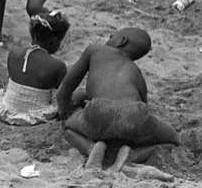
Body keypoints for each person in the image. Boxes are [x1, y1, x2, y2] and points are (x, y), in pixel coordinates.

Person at [57, 28, 180, 173]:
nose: (109, 37)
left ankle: (91, 149)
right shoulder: (136, 72)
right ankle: (133, 155)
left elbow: (66, 87)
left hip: (99, 111)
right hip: (134, 114)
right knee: (173, 140)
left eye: (112, 35)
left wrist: (64, 109)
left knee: (68, 128)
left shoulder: (95, 50)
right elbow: (144, 105)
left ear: (122, 41)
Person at [0, 8, 70, 126]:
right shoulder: (58, 66)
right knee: (77, 96)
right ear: (54, 40)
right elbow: (62, 96)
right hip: (38, 116)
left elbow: (14, 80)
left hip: (7, 110)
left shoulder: (14, 52)